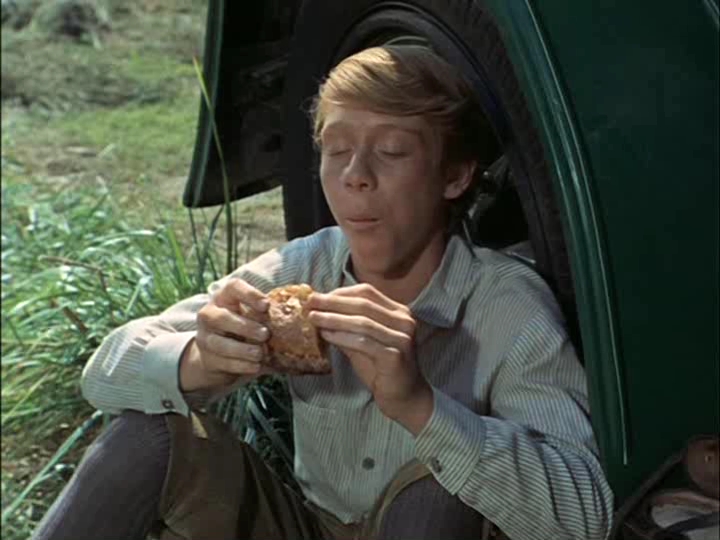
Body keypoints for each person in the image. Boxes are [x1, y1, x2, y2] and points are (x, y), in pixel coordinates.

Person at [32, 45, 614, 540]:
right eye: (336, 150)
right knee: (151, 434)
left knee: (439, 486)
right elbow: (103, 375)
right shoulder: (303, 268)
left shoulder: (507, 304)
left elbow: (588, 514)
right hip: (305, 526)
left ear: (456, 175)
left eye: (391, 151)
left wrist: (422, 406)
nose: (355, 174)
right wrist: (200, 360)